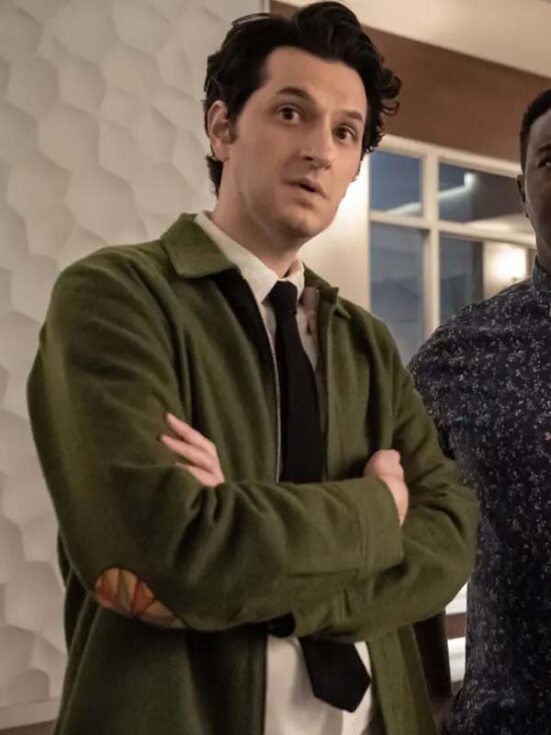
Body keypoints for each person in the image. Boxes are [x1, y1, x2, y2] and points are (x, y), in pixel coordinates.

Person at [28, 3, 477, 734]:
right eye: (291, 113)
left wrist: (247, 559)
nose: (320, 151)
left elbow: (449, 539)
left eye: (345, 132)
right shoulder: (114, 297)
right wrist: (376, 509)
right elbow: (161, 555)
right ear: (222, 128)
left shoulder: (363, 342)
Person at [409, 87, 551, 734]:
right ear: (522, 190)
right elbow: (405, 536)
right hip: (506, 719)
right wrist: (430, 699)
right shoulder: (457, 356)